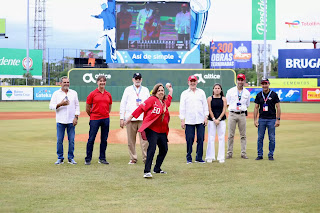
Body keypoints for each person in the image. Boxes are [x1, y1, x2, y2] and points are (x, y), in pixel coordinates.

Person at [125, 83, 173, 178]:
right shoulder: (152, 100)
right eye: (158, 90)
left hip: (162, 131)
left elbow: (169, 101)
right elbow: (141, 108)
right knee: (152, 147)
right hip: (152, 129)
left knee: (164, 149)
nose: (160, 92)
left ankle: (157, 168)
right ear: (155, 92)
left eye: (162, 90)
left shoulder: (164, 103)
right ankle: (147, 171)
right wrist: (130, 117)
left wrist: (170, 90)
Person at [120, 73, 150, 164]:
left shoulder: (145, 90)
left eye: (139, 78)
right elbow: (123, 104)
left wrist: (149, 118)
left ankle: (146, 158)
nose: (137, 80)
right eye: (136, 78)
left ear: (141, 79)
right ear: (133, 79)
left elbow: (149, 104)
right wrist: (122, 118)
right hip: (130, 118)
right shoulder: (128, 89)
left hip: (142, 118)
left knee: (145, 140)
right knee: (131, 140)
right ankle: (133, 158)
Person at [49, 76, 80, 165]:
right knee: (59, 140)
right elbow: (51, 106)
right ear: (60, 83)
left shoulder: (73, 93)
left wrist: (76, 117)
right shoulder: (56, 93)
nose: (66, 84)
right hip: (60, 120)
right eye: (64, 82)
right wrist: (61, 104)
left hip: (71, 121)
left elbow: (77, 106)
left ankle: (71, 158)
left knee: (72, 140)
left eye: (67, 82)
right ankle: (60, 158)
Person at [179, 75, 209, 164]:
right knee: (189, 139)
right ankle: (189, 157)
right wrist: (182, 119)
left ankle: (199, 157)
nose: (192, 83)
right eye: (191, 81)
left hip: (200, 119)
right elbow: (182, 107)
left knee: (200, 138)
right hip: (189, 120)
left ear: (197, 82)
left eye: (194, 81)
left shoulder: (201, 92)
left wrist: (206, 117)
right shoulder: (184, 93)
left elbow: (205, 105)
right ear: (188, 82)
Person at [85, 75, 112, 165]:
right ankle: (88, 159)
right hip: (95, 119)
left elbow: (109, 106)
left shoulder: (108, 94)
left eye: (104, 81)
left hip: (105, 118)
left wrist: (105, 113)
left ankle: (102, 158)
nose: (102, 83)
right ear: (97, 82)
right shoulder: (92, 94)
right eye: (100, 81)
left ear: (105, 83)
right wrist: (92, 115)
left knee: (104, 139)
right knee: (91, 139)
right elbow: (88, 107)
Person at [254, 78, 281, 161]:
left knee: (272, 138)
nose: (264, 85)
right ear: (261, 85)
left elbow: (278, 107)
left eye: (266, 83)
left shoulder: (273, 94)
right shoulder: (259, 95)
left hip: (272, 119)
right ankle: (260, 155)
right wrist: (255, 120)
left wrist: (278, 119)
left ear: (269, 84)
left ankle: (271, 155)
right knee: (260, 138)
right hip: (261, 119)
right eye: (263, 84)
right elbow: (256, 108)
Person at [226, 73, 251, 159]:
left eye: (242, 80)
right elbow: (227, 103)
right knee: (230, 135)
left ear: (244, 81)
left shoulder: (247, 93)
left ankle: (243, 153)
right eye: (239, 80)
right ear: (236, 80)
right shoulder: (230, 91)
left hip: (242, 114)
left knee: (243, 135)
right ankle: (229, 153)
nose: (240, 81)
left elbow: (247, 105)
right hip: (232, 114)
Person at [205, 83, 227, 163]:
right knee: (211, 138)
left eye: (218, 88)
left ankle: (221, 157)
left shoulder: (223, 98)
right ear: (213, 89)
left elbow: (224, 110)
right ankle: (210, 156)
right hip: (212, 120)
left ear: (221, 90)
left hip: (221, 120)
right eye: (215, 88)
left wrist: (219, 119)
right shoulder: (209, 98)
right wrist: (214, 119)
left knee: (221, 138)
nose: (217, 89)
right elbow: (209, 109)